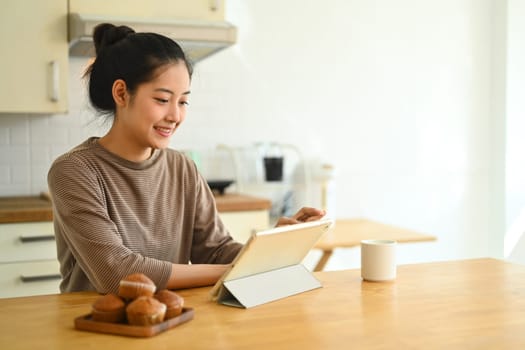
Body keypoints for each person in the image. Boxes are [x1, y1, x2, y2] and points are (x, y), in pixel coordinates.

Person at [47, 23, 325, 294]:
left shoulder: (182, 167)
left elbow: (215, 251)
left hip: (173, 320)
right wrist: (233, 271)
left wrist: (270, 247)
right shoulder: (74, 171)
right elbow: (117, 273)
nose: (175, 116)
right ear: (121, 93)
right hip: (96, 330)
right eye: (162, 99)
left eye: (183, 102)